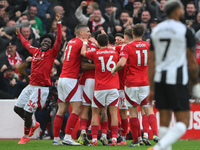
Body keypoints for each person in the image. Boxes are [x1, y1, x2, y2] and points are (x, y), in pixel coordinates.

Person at [147, 1, 200, 150]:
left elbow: (152, 62)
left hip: (159, 79)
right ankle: (157, 148)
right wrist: (196, 85)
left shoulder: (156, 31)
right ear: (177, 11)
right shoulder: (184, 30)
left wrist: (151, 88)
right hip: (177, 78)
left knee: (164, 122)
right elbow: (191, 61)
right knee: (184, 122)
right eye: (182, 9)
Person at [13, 14, 62, 144]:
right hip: (30, 86)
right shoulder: (35, 51)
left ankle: (25, 136)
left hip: (41, 89)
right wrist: (19, 34)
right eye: (45, 41)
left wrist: (59, 23)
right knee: (17, 109)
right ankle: (34, 124)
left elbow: (59, 40)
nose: (46, 43)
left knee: (28, 112)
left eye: (49, 43)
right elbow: (26, 44)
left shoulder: (51, 54)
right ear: (41, 42)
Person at [111, 23, 158, 147]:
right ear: (143, 33)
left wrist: (114, 70)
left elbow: (121, 63)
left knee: (133, 112)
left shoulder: (127, 47)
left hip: (131, 83)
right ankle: (156, 134)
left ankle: (136, 141)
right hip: (145, 82)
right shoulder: (149, 46)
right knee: (148, 109)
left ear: (132, 33)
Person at [53, 24, 91, 146]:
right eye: (88, 31)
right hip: (70, 79)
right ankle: (68, 137)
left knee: (62, 109)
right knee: (76, 109)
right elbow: (86, 55)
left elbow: (64, 59)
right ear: (81, 33)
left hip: (62, 78)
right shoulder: (81, 43)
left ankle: (56, 139)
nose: (89, 34)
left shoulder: (70, 42)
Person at [81, 34, 119, 146]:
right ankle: (114, 139)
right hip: (113, 87)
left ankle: (94, 139)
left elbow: (83, 53)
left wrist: (84, 42)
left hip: (100, 88)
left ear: (98, 43)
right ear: (108, 42)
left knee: (94, 114)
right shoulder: (115, 52)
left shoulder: (95, 53)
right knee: (113, 114)